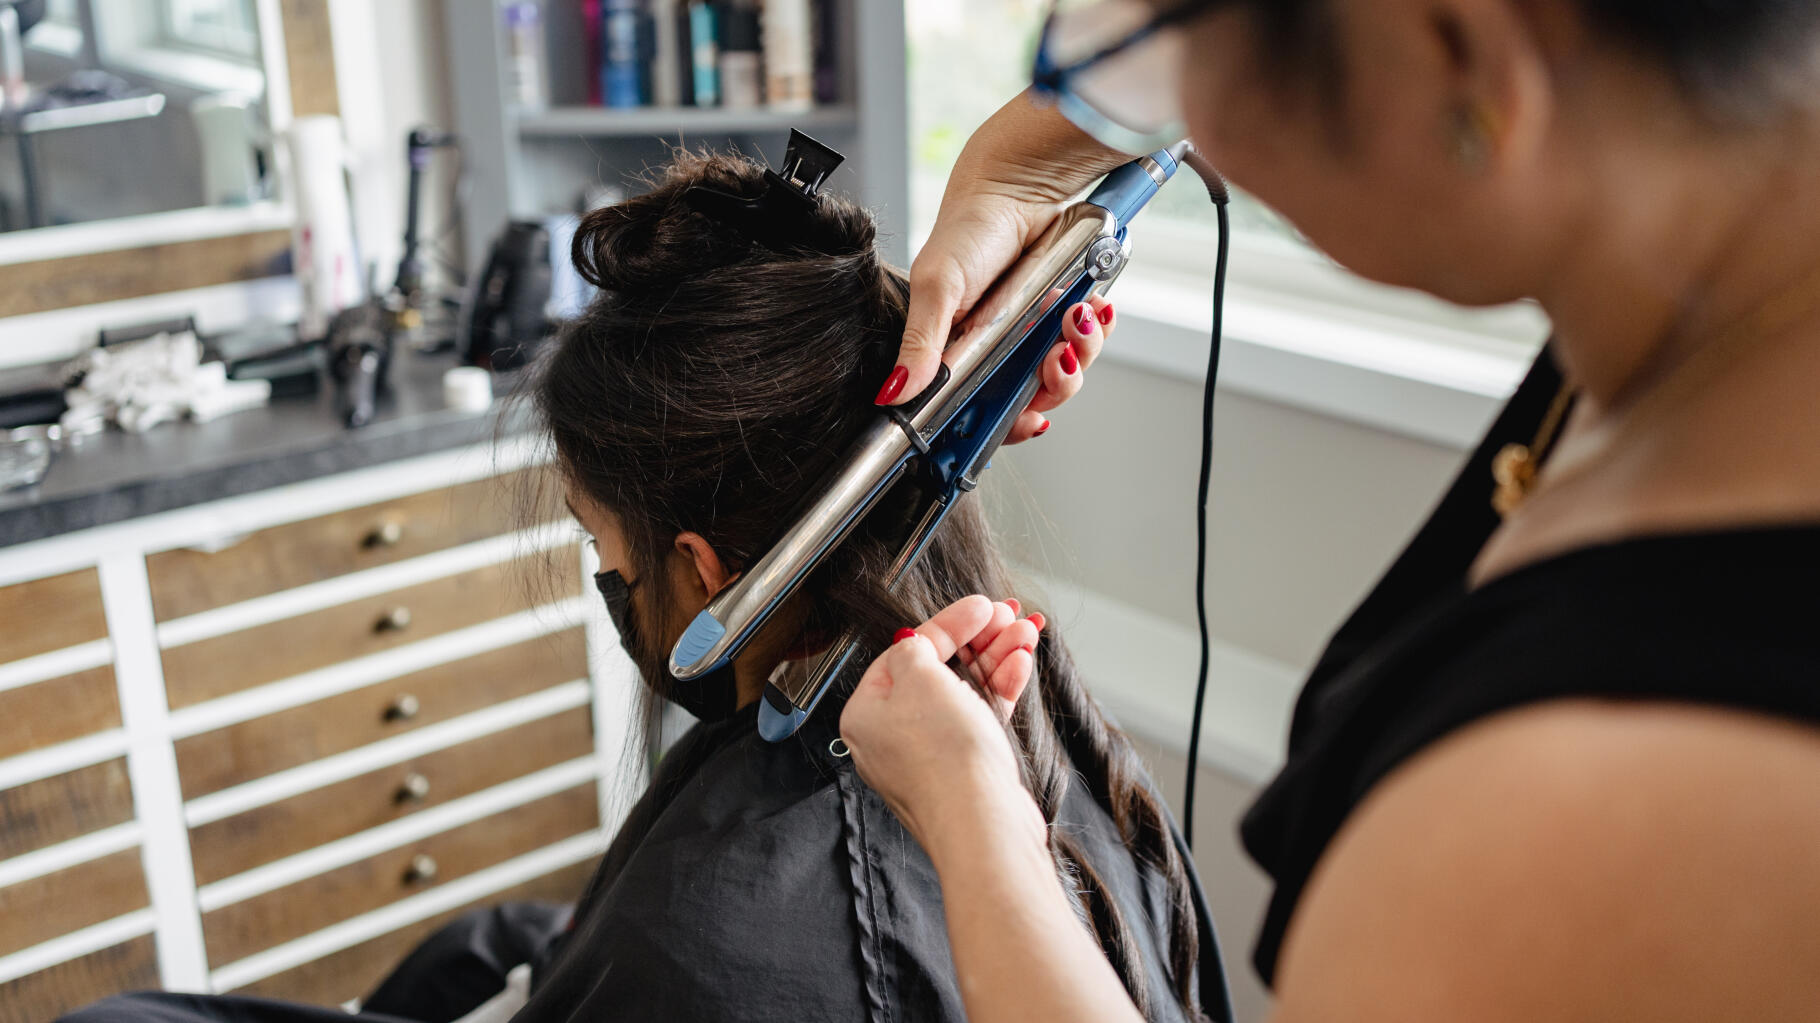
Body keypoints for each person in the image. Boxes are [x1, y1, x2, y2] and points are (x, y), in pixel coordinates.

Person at [60, 151, 1230, 1023]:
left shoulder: (706, 941)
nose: (602, 580)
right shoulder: (1061, 739)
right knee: (486, 943)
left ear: (707, 574)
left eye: (602, 545)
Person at [845, 0, 1820, 1020]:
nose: (1186, 139)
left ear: (1454, 50)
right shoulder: (1723, 267)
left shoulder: (1573, 835)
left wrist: (968, 812)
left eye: (1178, 57)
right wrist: (1027, 159)